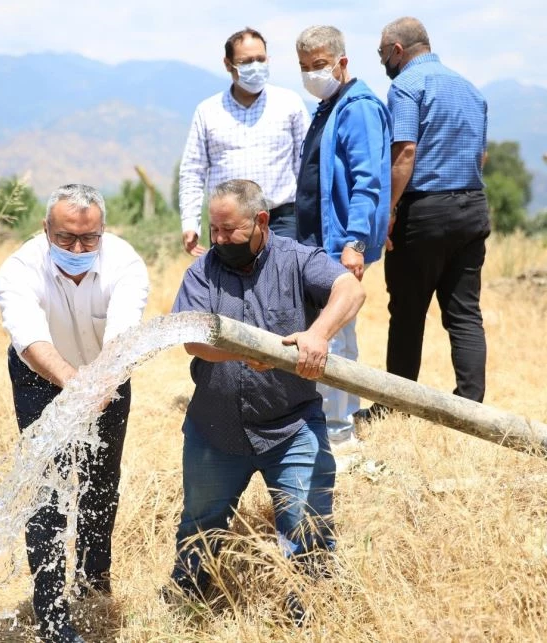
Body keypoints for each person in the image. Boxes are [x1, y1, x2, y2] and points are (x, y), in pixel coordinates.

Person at [168, 179, 365, 606]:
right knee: (200, 529)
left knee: (307, 527)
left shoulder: (298, 260)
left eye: (229, 231)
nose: (218, 240)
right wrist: (249, 352)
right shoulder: (202, 270)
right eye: (213, 229)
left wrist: (318, 334)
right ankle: (186, 607)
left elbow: (350, 290)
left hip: (291, 426)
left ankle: (310, 614)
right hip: (214, 429)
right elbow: (192, 338)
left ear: (261, 221)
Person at [0, 184, 149, 643]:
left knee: (102, 481)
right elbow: (29, 339)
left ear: (103, 230)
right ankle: (52, 615)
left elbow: (123, 334)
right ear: (46, 230)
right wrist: (76, 383)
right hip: (40, 377)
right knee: (47, 490)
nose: (79, 249)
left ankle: (92, 585)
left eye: (89, 238)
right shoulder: (20, 269)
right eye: (66, 239)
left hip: (108, 374)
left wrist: (100, 382)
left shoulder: (125, 264)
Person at [360, 17, 490, 421]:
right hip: (472, 206)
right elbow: (480, 156)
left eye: (382, 54)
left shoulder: (405, 87)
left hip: (424, 211)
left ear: (398, 50)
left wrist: (389, 211)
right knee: (464, 312)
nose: (382, 61)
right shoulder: (470, 89)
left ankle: (396, 406)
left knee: (408, 311)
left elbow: (405, 154)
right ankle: (471, 412)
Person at [294, 25, 391, 444]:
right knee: (324, 332)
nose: (312, 74)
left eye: (319, 65)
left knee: (337, 336)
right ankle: (327, 424)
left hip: (340, 245)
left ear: (342, 62)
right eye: (304, 67)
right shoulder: (328, 106)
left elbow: (368, 181)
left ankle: (339, 432)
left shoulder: (359, 108)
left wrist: (355, 242)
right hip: (318, 243)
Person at [178, 27, 310, 256]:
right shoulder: (208, 111)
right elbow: (193, 171)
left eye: (261, 59)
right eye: (247, 61)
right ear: (228, 64)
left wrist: (311, 218)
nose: (256, 66)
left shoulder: (289, 104)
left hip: (281, 220)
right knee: (229, 288)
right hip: (227, 225)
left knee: (284, 287)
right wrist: (190, 222)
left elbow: (306, 165)